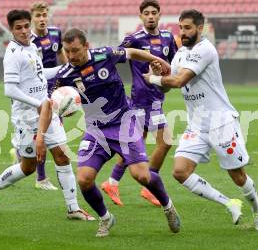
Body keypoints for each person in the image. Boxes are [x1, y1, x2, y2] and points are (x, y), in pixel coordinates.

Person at [36, 28, 181, 237]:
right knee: (84, 179)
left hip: (124, 123)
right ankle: (106, 218)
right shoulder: (65, 75)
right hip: (97, 130)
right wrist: (40, 137)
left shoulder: (105, 55)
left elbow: (130, 53)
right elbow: (48, 105)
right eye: (67, 51)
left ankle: (168, 206)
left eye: (75, 50)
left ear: (87, 45)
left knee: (141, 175)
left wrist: (156, 59)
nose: (71, 56)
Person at [143, 9, 258, 232]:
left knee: (238, 176)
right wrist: (159, 76)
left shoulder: (206, 50)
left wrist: (154, 77)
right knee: (180, 171)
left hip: (221, 123)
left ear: (200, 28)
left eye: (188, 28)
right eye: (181, 28)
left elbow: (180, 81)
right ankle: (229, 203)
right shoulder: (180, 53)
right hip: (197, 125)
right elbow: (167, 86)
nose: (183, 32)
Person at [0, 10, 94, 221]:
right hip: (27, 117)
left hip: (47, 110)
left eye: (25, 26)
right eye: (18, 28)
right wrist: (38, 104)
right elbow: (9, 90)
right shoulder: (13, 54)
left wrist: (65, 69)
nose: (23, 31)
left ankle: (73, 208)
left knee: (62, 155)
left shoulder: (31, 46)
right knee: (28, 167)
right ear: (11, 30)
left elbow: (40, 75)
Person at [100, 0, 177, 207]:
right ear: (141, 16)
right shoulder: (134, 39)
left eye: (154, 12)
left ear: (160, 15)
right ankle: (149, 186)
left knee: (136, 145)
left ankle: (112, 182)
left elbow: (175, 65)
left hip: (157, 97)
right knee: (166, 141)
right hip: (142, 101)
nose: (150, 16)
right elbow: (113, 56)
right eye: (146, 13)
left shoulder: (169, 38)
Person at [29, 1, 68, 190]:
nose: (42, 19)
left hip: (57, 88)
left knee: (55, 130)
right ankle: (41, 178)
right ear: (32, 19)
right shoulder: (29, 40)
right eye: (38, 16)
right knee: (43, 133)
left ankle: (23, 153)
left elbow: (60, 52)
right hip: (39, 91)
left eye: (44, 15)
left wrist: (68, 72)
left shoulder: (55, 33)